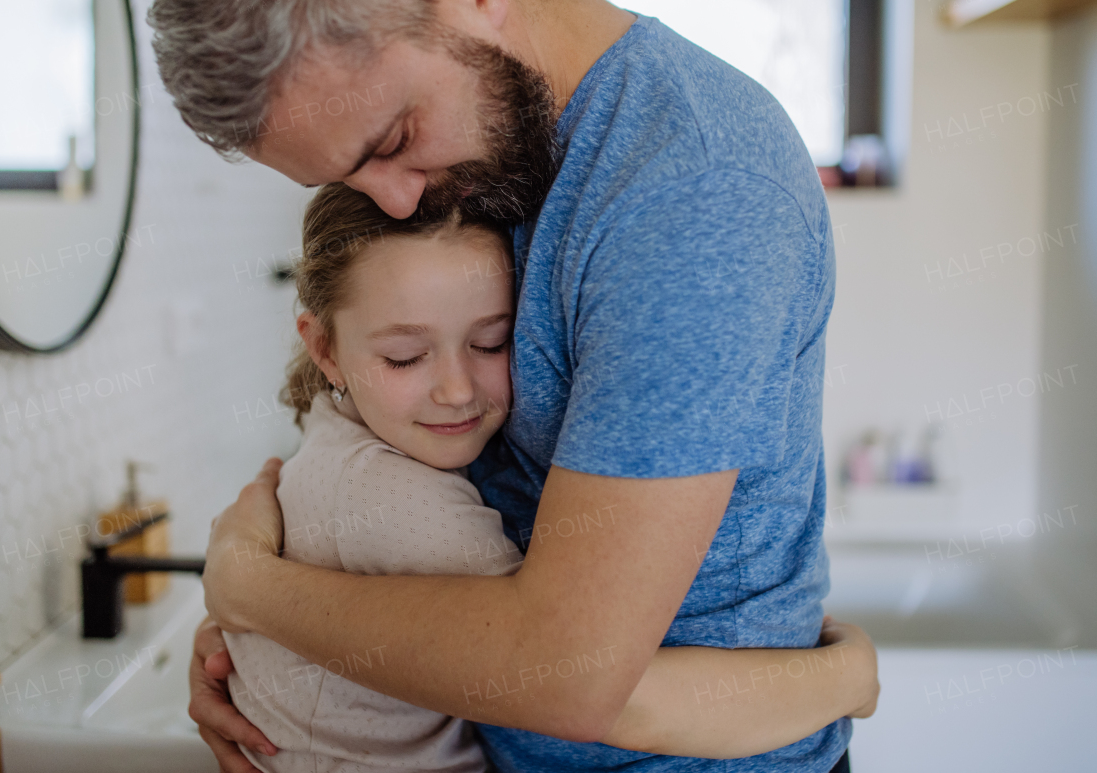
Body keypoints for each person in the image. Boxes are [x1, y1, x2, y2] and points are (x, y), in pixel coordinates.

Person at [147, 0, 873, 770]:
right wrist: (270, 653)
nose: (393, 201)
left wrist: (253, 589)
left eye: (391, 143)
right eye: (347, 181)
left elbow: (569, 674)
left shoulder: (693, 194)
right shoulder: (490, 150)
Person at [220, 183, 877, 773]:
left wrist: (248, 595)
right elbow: (572, 685)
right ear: (325, 347)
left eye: (491, 343)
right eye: (406, 355)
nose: (455, 388)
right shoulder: (404, 499)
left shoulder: (334, 434)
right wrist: (843, 677)